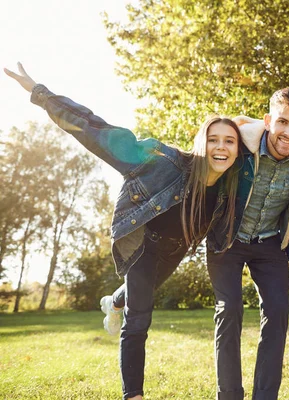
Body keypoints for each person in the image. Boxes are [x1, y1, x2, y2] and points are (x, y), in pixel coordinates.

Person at [5, 62, 243, 400]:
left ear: (238, 147)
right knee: (139, 320)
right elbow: (95, 129)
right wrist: (39, 92)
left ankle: (114, 301)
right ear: (200, 142)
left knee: (131, 297)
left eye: (230, 141)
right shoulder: (163, 161)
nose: (221, 147)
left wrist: (245, 126)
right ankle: (133, 395)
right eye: (214, 139)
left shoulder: (233, 183)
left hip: (175, 251)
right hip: (145, 245)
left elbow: (261, 137)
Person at [204, 88, 289, 400]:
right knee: (228, 310)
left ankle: (265, 396)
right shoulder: (241, 144)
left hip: (270, 244)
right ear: (268, 120)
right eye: (283, 122)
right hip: (227, 239)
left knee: (279, 312)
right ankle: (228, 395)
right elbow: (212, 139)